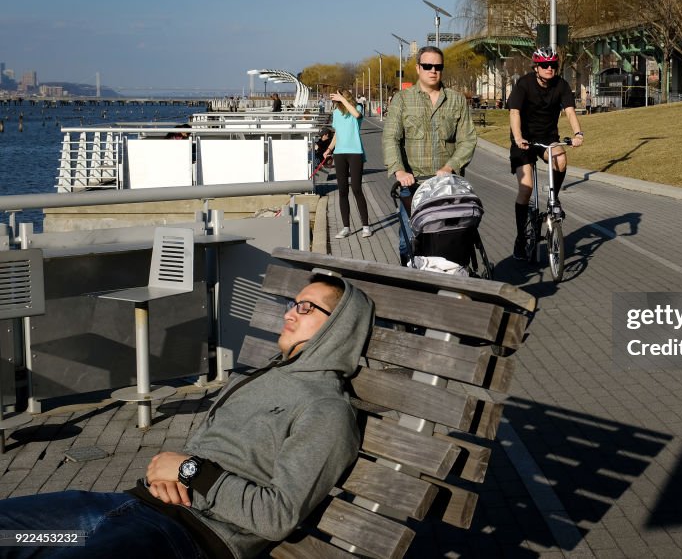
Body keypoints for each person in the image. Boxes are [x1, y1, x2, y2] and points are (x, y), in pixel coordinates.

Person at [0, 275, 373, 559]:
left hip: (178, 537)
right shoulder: (264, 377)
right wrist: (170, 469)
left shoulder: (327, 410)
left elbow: (277, 515)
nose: (290, 312)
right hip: (117, 508)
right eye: (293, 303)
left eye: (306, 308)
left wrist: (188, 471)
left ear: (338, 327)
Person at [381, 46, 477, 261]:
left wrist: (450, 166)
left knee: (451, 238)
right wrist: (399, 171)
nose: (433, 70)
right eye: (427, 66)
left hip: (446, 184)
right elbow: (391, 137)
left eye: (438, 66)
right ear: (418, 68)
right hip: (413, 184)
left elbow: (468, 139)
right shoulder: (402, 99)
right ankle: (411, 278)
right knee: (409, 242)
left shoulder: (456, 100)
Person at [508, 47, 583, 260]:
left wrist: (578, 133)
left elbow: (569, 111)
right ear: (536, 67)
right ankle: (521, 238)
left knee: (560, 159)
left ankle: (554, 198)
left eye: (553, 65)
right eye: (544, 65)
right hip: (523, 138)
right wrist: (518, 137)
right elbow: (515, 112)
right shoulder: (524, 84)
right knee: (526, 188)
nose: (549, 68)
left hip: (547, 137)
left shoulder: (561, 85)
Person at [326, 89, 371, 238]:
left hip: (355, 153)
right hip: (339, 154)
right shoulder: (336, 113)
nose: (336, 103)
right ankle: (346, 227)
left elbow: (357, 115)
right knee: (342, 190)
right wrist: (329, 149)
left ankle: (366, 226)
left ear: (344, 99)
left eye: (338, 100)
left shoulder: (357, 109)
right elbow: (337, 134)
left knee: (357, 188)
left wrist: (342, 99)